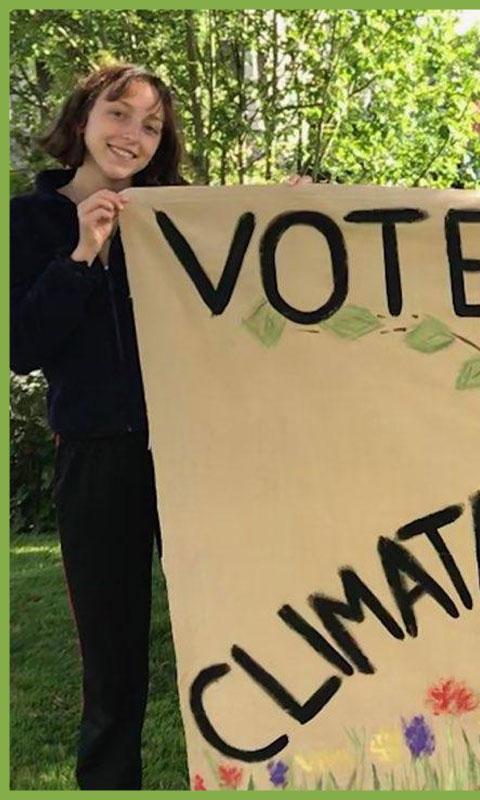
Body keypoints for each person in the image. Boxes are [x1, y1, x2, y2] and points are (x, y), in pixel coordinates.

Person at [10, 63, 186, 790]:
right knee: (112, 668)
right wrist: (82, 254)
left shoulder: (175, 215)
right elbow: (22, 347)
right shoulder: (28, 223)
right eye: (119, 114)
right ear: (82, 119)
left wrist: (279, 210)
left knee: (232, 627)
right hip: (95, 461)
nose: (133, 135)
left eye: (151, 125)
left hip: (191, 456)